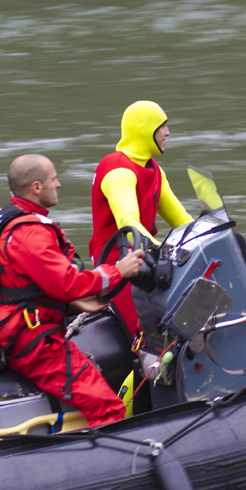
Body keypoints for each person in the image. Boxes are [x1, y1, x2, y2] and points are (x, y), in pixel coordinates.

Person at [0, 154, 144, 426]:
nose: (59, 184)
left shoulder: (11, 222)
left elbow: (21, 284)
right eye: (54, 179)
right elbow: (67, 283)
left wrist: (70, 305)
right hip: (32, 338)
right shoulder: (31, 233)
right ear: (36, 188)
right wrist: (119, 271)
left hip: (11, 325)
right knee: (109, 409)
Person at [89, 101, 193, 344]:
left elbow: (182, 220)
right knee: (149, 337)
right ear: (146, 129)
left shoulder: (154, 170)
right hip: (118, 261)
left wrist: (210, 235)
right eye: (163, 126)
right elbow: (129, 222)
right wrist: (163, 250)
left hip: (147, 256)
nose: (168, 133)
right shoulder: (117, 169)